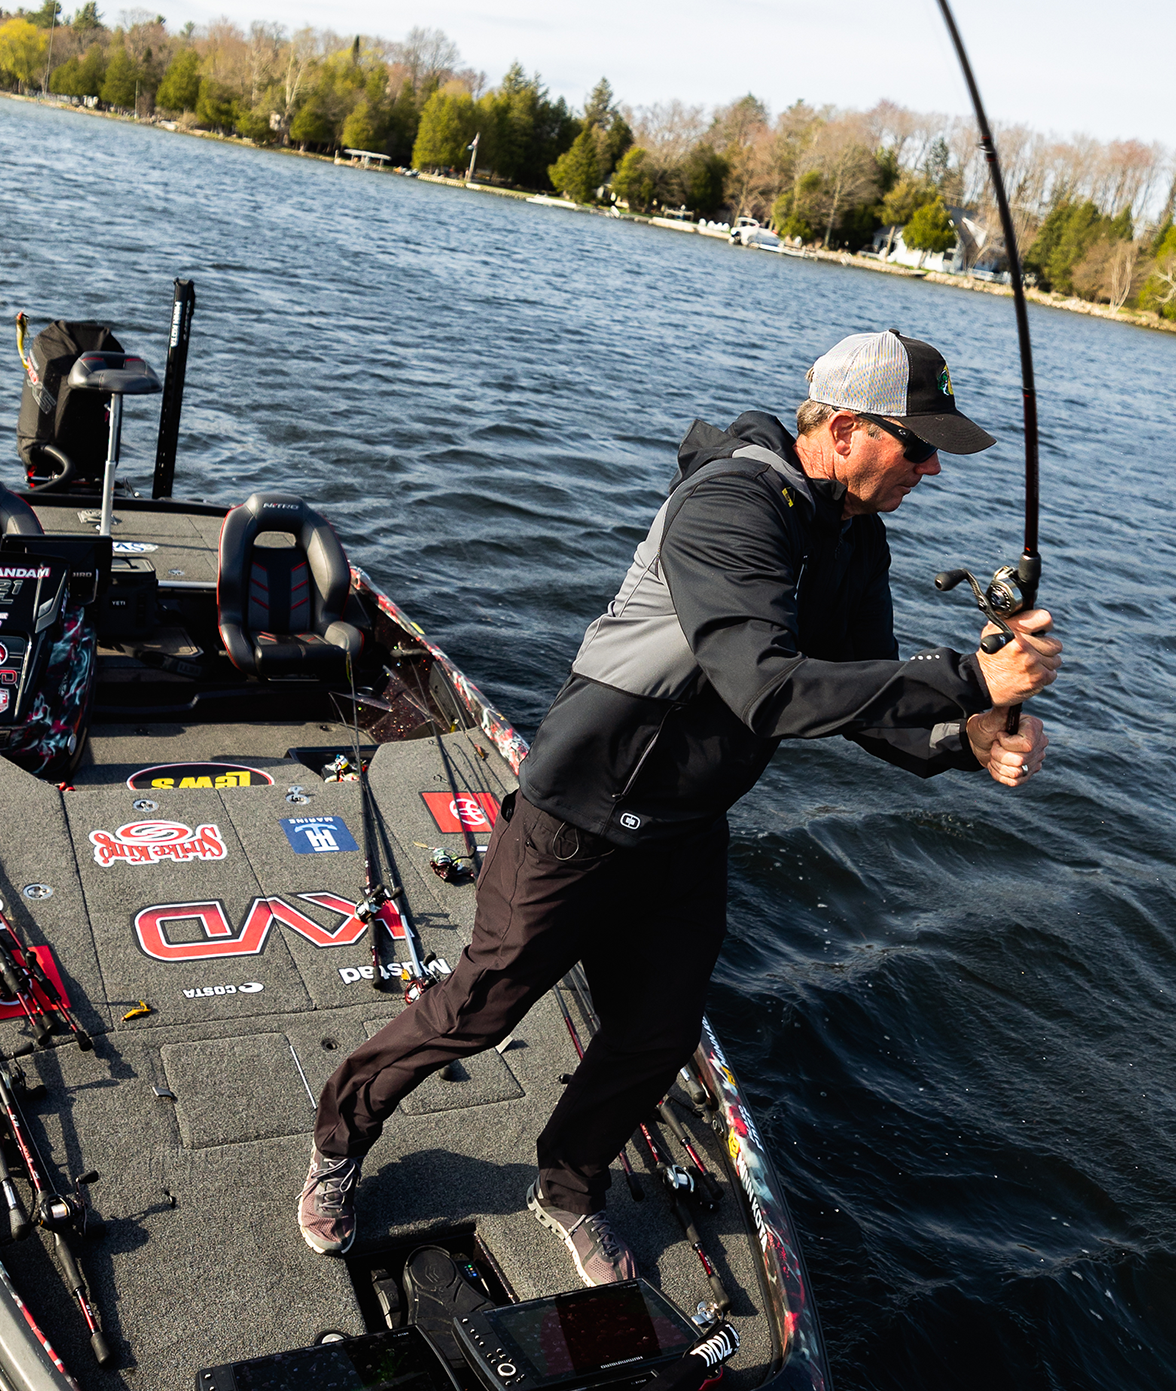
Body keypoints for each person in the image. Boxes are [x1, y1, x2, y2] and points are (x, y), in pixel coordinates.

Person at [297, 328, 1061, 1280]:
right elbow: (767, 688)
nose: (934, 466)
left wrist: (967, 734)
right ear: (849, 428)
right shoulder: (733, 505)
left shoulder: (858, 540)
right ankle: (337, 1138)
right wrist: (965, 677)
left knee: (656, 1037)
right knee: (476, 1009)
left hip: (687, 829)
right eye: (919, 444)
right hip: (580, 814)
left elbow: (864, 699)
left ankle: (567, 1186)